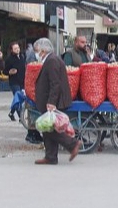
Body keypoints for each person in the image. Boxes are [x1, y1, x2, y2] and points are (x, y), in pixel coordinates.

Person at [32, 37, 82, 165]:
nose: (36, 53)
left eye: (37, 50)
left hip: (55, 100)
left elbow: (55, 83)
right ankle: (51, 156)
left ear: (43, 50)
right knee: (47, 128)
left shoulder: (52, 60)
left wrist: (51, 102)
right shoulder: (50, 59)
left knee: (51, 130)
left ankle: (72, 144)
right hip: (50, 99)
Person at [4, 41, 26, 121]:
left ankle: (11, 113)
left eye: (18, 48)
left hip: (22, 81)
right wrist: (10, 72)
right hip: (14, 82)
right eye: (15, 48)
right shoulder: (9, 59)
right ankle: (21, 117)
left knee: (21, 99)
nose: (17, 50)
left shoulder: (22, 56)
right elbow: (5, 71)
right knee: (18, 98)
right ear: (11, 50)